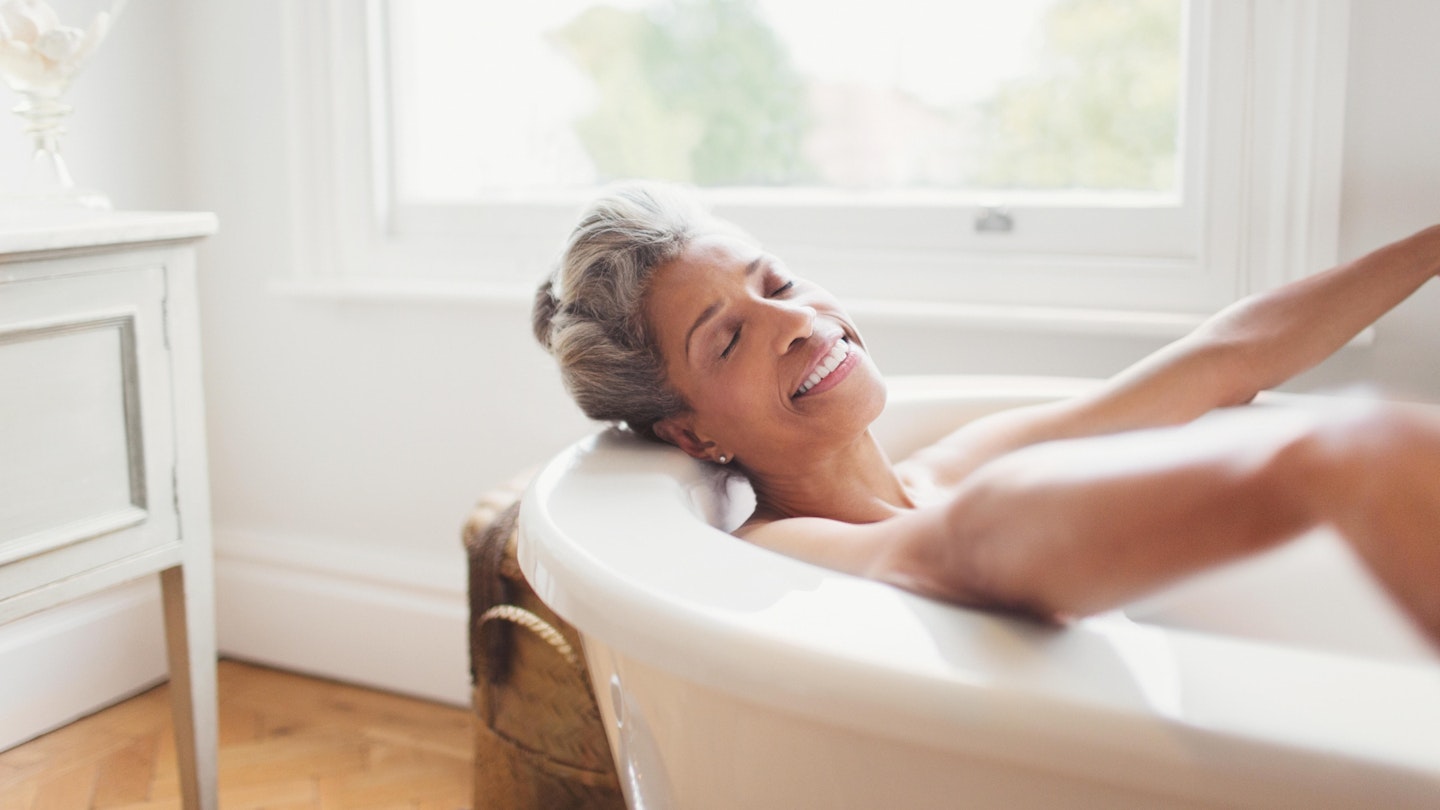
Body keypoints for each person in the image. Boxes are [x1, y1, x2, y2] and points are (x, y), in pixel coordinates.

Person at [532, 182, 1440, 647]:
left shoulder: (957, 463)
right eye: (726, 339)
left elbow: (1223, 361)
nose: (800, 324)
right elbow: (948, 555)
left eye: (775, 283)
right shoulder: (779, 552)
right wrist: (1315, 465)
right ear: (694, 434)